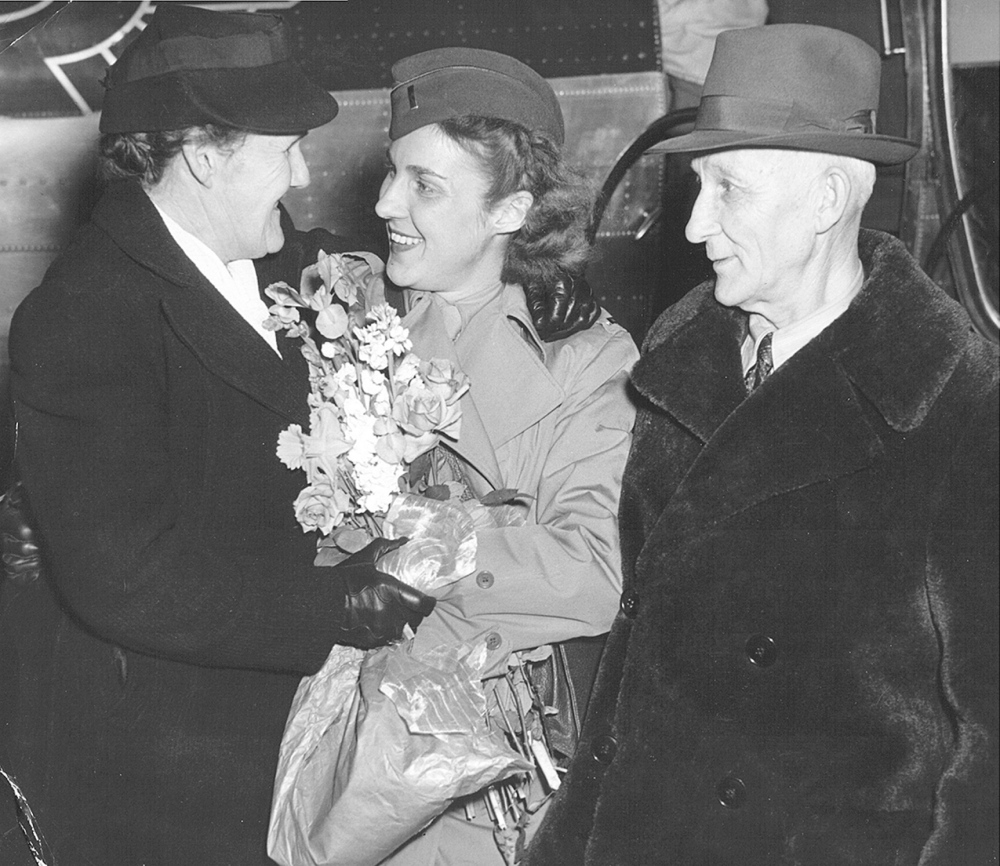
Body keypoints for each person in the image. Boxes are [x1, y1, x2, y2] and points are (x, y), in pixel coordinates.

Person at [0, 7, 592, 865]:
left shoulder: (280, 261)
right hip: (159, 759)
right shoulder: (84, 314)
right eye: (282, 149)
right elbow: (124, 579)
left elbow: (425, 257)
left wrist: (542, 276)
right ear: (205, 157)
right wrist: (334, 607)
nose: (304, 170)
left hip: (282, 736)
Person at [528, 24, 999, 866]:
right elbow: (635, 663)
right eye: (698, 186)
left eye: (730, 190)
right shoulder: (686, 351)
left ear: (824, 202)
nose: (697, 224)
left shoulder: (957, 403)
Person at [370, 48, 639, 864]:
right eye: (392, 174)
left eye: (425, 185)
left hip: (483, 770)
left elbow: (589, 577)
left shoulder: (588, 361)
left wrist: (401, 538)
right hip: (339, 742)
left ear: (510, 210)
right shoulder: (346, 318)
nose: (384, 203)